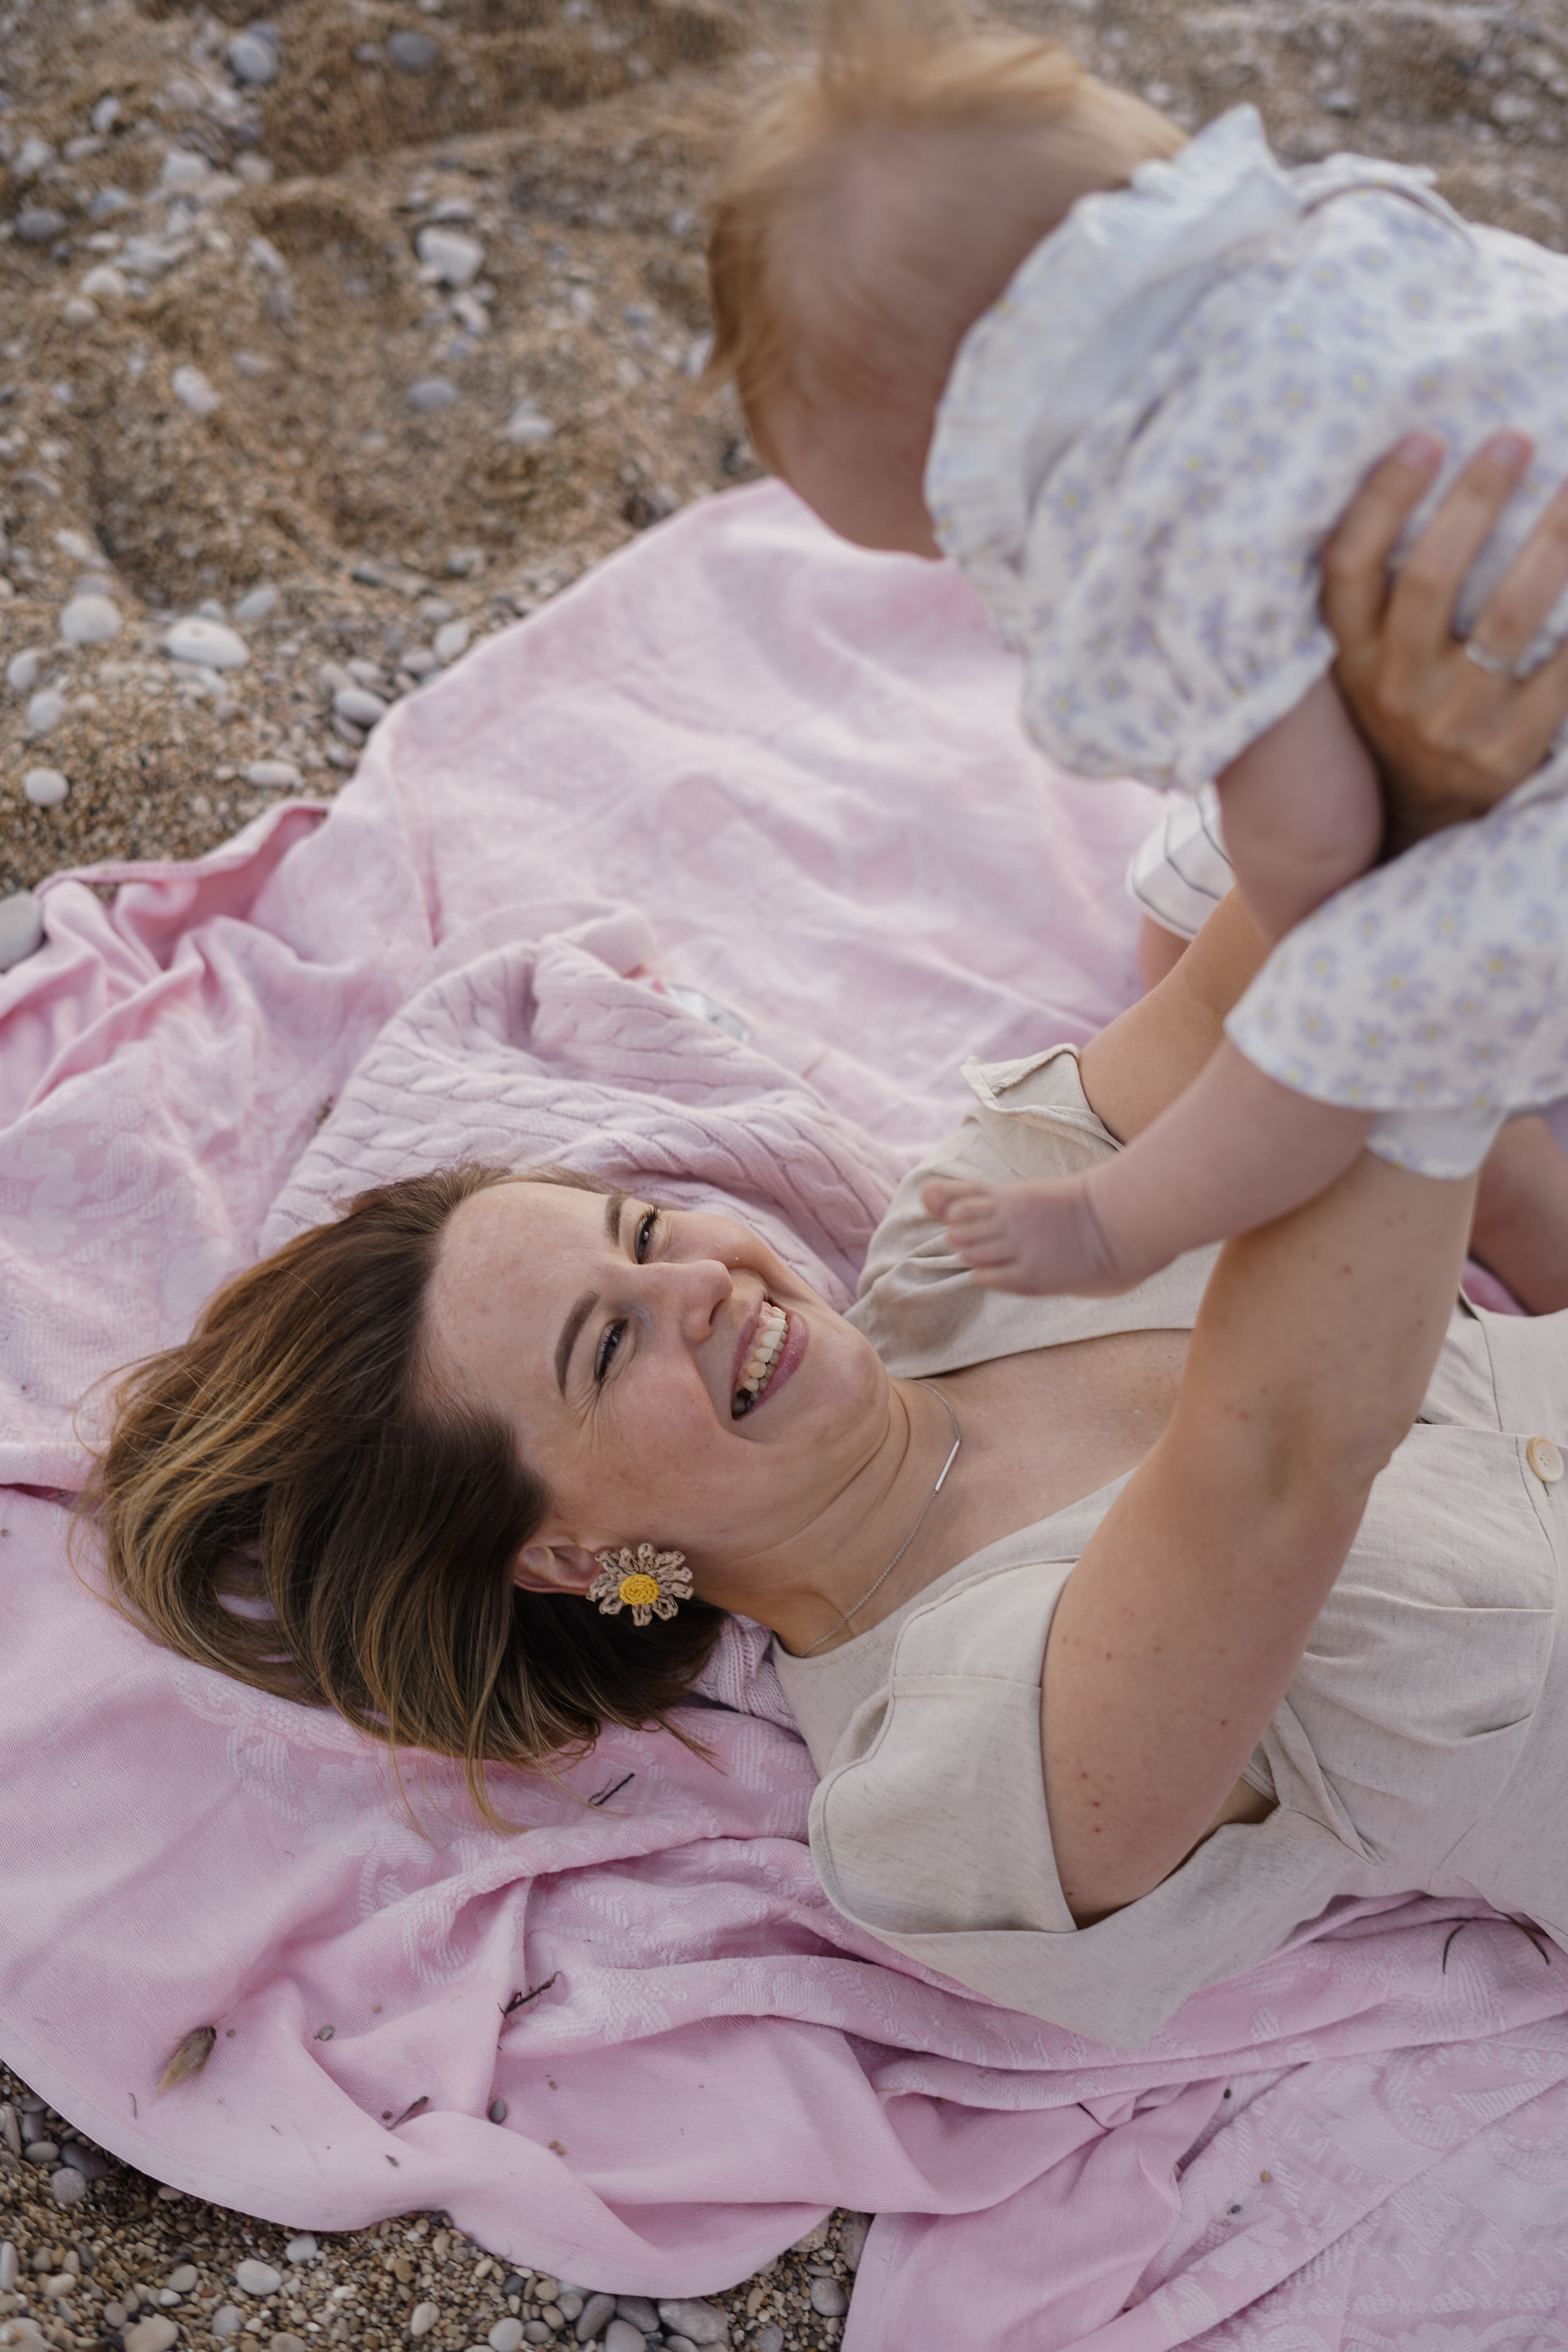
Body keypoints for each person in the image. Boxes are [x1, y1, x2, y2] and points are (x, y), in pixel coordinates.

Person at [87, 445, 1568, 2049]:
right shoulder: (932, 1791)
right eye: (608, 1343)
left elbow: (1229, 995)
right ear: (571, 1555)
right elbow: (1273, 1469)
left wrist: (1398, 704)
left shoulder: (962, 1257)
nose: (698, 1288)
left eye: (647, 1235)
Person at [699, 0, 1568, 1299]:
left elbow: (1324, 844)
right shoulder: (1355, 246)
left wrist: (1325, 946)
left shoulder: (1169, 522)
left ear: (990, 454)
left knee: (1327, 1011)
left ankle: (1121, 1222)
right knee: (1188, 882)